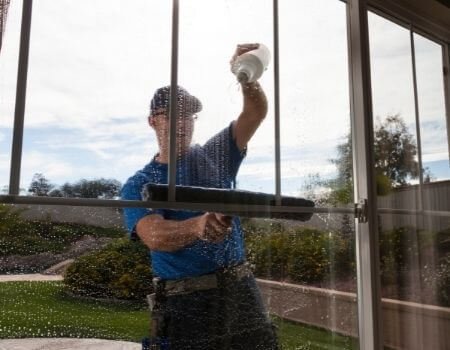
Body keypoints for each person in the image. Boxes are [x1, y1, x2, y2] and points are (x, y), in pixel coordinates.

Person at [121, 43, 279, 350]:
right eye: (172, 115)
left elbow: (255, 112)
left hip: (241, 291)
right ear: (153, 121)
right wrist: (198, 226)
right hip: (187, 303)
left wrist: (247, 76)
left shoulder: (216, 155)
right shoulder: (139, 183)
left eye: (189, 116)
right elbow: (154, 235)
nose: (183, 123)